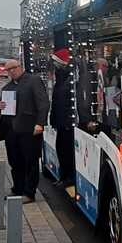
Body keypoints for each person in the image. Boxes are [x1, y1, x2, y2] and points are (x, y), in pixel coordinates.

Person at [0, 59, 49, 203]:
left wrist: (40, 123)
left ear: (20, 67)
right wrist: (0, 106)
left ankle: (29, 193)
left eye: (14, 68)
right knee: (15, 161)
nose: (11, 71)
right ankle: (18, 189)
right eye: (8, 70)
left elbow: (43, 103)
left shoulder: (33, 81)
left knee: (30, 162)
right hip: (11, 131)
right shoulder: (7, 88)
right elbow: (1, 109)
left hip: (29, 129)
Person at [50, 48, 75, 187]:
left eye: (56, 63)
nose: (54, 65)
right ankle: (64, 176)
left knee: (66, 151)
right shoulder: (61, 78)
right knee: (61, 149)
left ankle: (67, 178)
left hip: (66, 123)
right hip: (61, 122)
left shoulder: (67, 79)